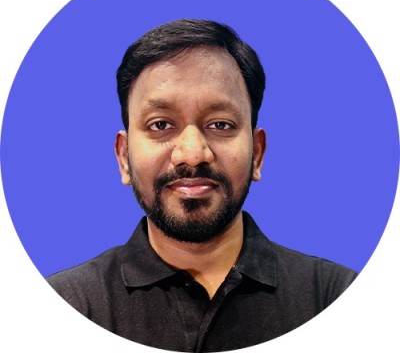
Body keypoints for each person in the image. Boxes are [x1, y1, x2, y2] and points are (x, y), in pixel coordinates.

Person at [47, 19, 357, 352]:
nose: (192, 154)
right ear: (124, 157)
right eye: (161, 124)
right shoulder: (65, 306)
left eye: (220, 124)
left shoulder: (337, 297)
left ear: (257, 153)